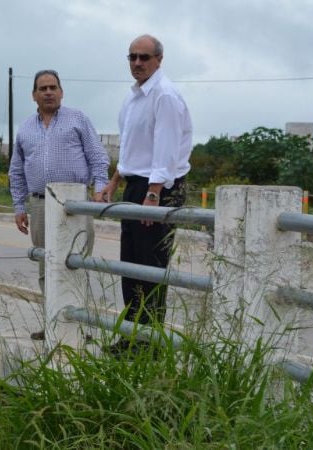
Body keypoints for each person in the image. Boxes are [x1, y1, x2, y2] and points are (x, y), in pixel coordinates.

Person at [97, 34, 193, 352]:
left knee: (151, 267)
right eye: (132, 57)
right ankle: (131, 338)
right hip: (136, 184)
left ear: (159, 60)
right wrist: (114, 182)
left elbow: (164, 150)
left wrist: (152, 195)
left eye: (144, 57)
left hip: (160, 189)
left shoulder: (164, 95)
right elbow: (132, 150)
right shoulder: (134, 97)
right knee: (131, 263)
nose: (137, 63)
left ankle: (150, 344)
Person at [9, 69, 110, 340]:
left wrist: (100, 190)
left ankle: (80, 326)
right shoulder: (25, 129)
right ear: (34, 95)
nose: (48, 92)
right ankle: (52, 323)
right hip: (40, 205)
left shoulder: (78, 120)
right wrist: (19, 206)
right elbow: (16, 171)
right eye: (43, 88)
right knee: (47, 265)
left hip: (75, 204)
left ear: (61, 92)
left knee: (75, 262)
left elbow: (98, 158)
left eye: (53, 87)